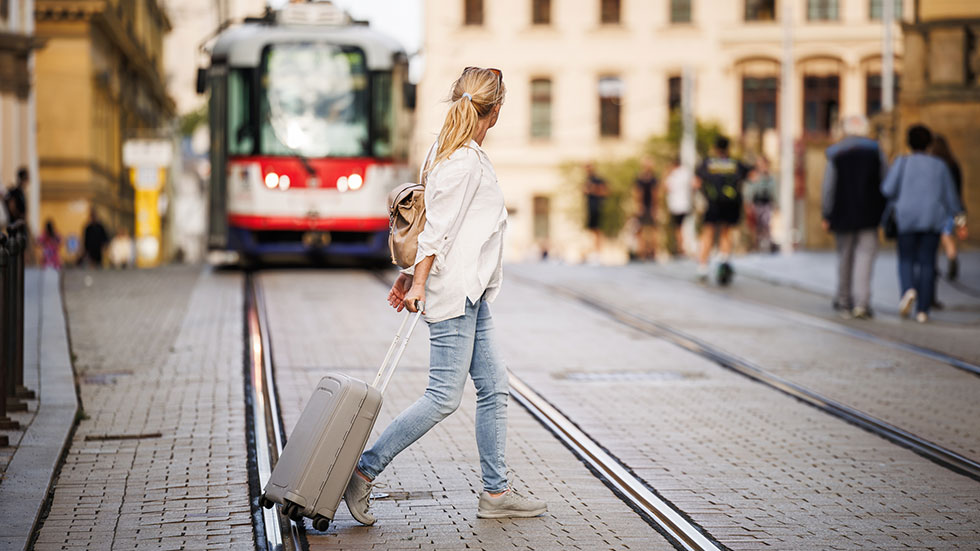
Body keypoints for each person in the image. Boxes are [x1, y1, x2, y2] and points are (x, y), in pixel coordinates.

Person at [344, 66, 547, 524]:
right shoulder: (462, 160)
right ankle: (364, 470)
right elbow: (435, 231)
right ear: (494, 112)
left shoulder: (451, 151)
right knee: (442, 397)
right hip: (454, 294)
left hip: (471, 292)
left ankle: (495, 494)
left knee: (495, 388)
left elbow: (431, 221)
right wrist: (416, 282)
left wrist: (410, 276)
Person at [882, 124, 967, 323]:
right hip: (931, 219)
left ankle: (908, 290)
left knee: (906, 259)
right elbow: (951, 197)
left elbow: (887, 189)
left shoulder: (902, 163)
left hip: (906, 219)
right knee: (928, 262)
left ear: (908, 142)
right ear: (929, 143)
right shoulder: (940, 166)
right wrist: (960, 218)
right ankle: (923, 310)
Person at [820, 115, 887, 320]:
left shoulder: (836, 152)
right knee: (865, 257)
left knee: (845, 256)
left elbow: (828, 186)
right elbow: (886, 182)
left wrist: (826, 212)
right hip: (869, 213)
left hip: (842, 213)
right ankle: (862, 303)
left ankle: (843, 300)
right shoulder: (876, 151)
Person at [694, 136, 752, 284]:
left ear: (715, 148)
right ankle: (723, 262)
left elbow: (695, 183)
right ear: (728, 148)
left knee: (708, 232)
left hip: (713, 204)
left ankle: (703, 267)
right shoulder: (735, 164)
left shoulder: (708, 164)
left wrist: (703, 195)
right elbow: (751, 176)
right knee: (726, 232)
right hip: (731, 205)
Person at [931, 135, 964, 281]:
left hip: (935, 207)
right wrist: (961, 215)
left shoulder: (933, 165)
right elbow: (958, 190)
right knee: (947, 235)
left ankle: (933, 266)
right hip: (951, 206)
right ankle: (952, 258)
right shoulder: (953, 164)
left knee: (934, 239)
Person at [743, 156, 776, 253]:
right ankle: (755, 245)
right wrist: (748, 203)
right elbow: (749, 189)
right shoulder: (754, 176)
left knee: (766, 223)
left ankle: (767, 244)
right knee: (756, 225)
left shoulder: (770, 177)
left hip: (767, 203)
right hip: (756, 203)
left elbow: (773, 190)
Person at [664, 157, 693, 256]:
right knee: (683, 226)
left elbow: (666, 187)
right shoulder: (686, 173)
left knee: (678, 228)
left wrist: (667, 173)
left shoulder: (673, 175)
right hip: (686, 204)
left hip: (676, 206)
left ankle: (681, 248)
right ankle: (683, 247)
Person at [633, 157, 659, 260]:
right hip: (642, 207)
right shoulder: (639, 178)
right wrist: (638, 206)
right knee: (640, 229)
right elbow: (636, 193)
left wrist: (655, 208)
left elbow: (656, 195)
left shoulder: (654, 179)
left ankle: (652, 251)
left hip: (650, 207)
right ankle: (642, 251)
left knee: (653, 229)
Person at [583, 162, 608, 261]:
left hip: (597, 208)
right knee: (592, 230)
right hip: (590, 208)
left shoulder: (597, 180)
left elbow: (605, 191)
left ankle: (598, 252)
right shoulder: (587, 180)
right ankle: (593, 251)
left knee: (598, 230)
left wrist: (593, 190)